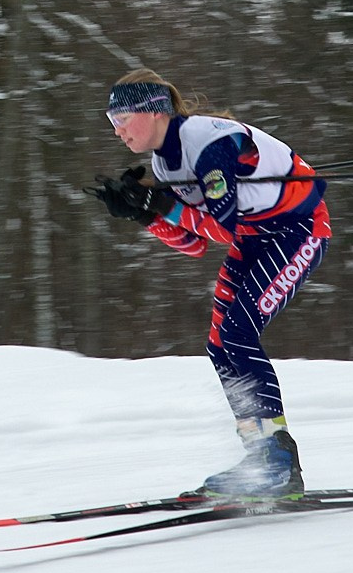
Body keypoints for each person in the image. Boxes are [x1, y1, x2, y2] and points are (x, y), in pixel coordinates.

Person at [88, 68, 331, 501]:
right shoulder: (166, 160)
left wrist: (163, 204)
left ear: (154, 110)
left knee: (237, 334)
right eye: (112, 121)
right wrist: (145, 213)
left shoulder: (206, 142)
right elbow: (193, 243)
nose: (118, 130)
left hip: (298, 230)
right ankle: (261, 453)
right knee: (221, 344)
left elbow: (225, 228)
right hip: (259, 237)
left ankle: (276, 461)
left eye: (122, 116)